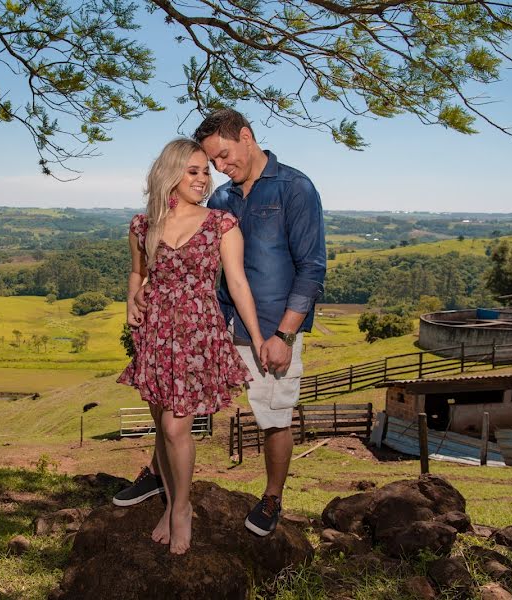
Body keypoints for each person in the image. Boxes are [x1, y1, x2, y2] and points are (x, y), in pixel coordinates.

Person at [114, 109, 326, 538]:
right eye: (212, 165)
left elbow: (311, 268)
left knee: (273, 414)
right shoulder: (222, 199)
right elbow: (179, 255)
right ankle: (163, 480)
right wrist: (137, 293)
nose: (220, 170)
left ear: (246, 137)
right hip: (209, 323)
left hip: (269, 324)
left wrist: (282, 334)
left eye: (224, 158)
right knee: (169, 409)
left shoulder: (295, 189)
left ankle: (271, 496)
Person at [117, 137, 266, 555]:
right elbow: (137, 273)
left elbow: (237, 283)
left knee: (174, 426)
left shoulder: (222, 224)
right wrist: (132, 300)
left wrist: (255, 337)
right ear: (171, 173)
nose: (203, 179)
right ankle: (169, 501)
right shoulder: (142, 225)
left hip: (198, 335)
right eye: (194, 170)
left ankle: (181, 508)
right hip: (156, 334)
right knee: (162, 430)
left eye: (206, 171)